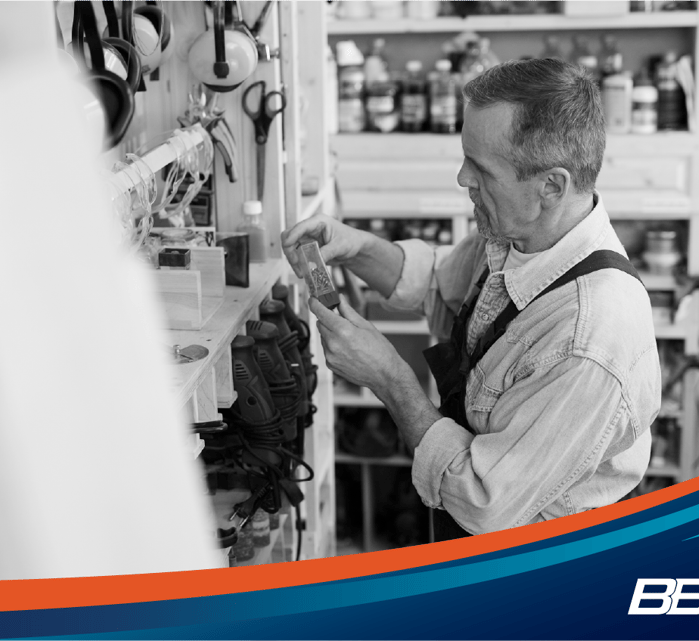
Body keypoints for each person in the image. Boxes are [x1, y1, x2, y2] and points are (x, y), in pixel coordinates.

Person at [281, 58, 660, 540]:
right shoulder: (517, 233)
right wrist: (357, 246)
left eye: (480, 168)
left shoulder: (589, 338)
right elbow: (442, 282)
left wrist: (388, 377)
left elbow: (484, 501)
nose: (462, 178)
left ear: (551, 185)